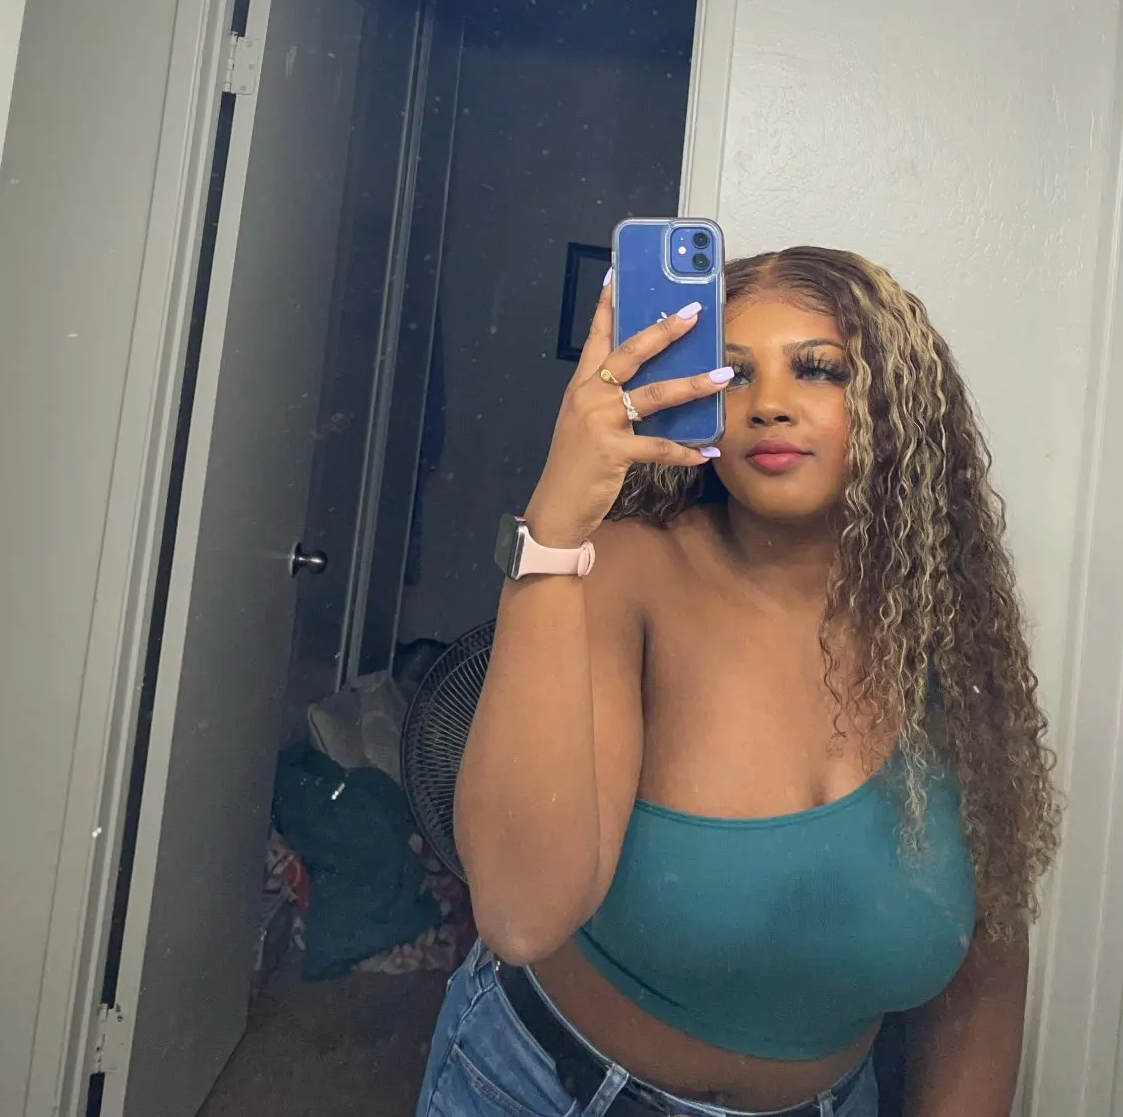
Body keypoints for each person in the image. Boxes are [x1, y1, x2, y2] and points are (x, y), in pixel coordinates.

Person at [415, 246, 1059, 1117]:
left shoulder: (948, 637)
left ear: (898, 407)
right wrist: (555, 524)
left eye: (819, 370)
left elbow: (984, 975)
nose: (768, 406)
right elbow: (522, 915)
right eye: (734, 375)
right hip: (538, 1088)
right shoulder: (622, 572)